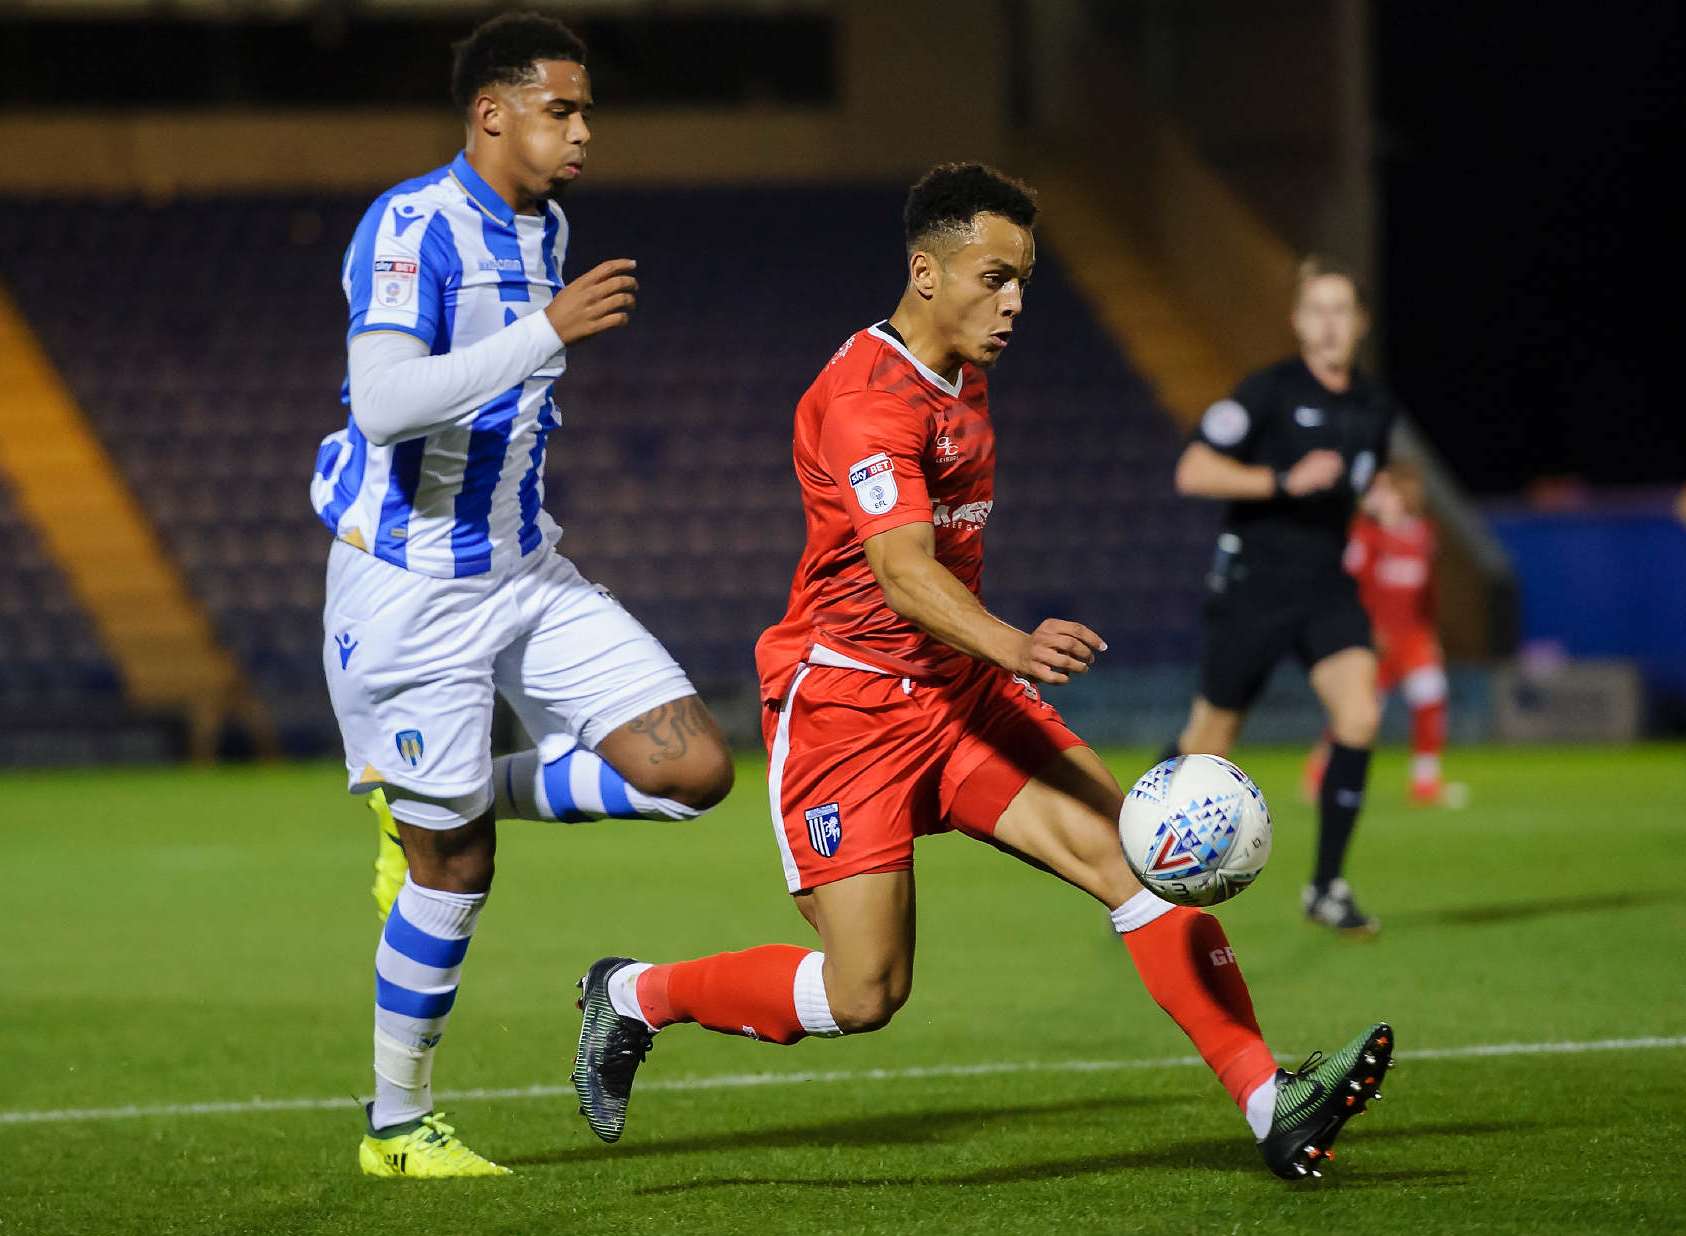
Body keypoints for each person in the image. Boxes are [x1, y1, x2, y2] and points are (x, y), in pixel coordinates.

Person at [569, 166, 1393, 1181]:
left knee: (1138, 857)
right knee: (865, 992)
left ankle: (1274, 1104)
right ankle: (634, 995)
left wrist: (989, 664)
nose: (1013, 304)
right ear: (926, 271)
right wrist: (1014, 642)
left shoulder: (963, 368)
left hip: (959, 698)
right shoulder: (866, 399)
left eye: (1024, 282)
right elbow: (902, 570)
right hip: (846, 710)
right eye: (994, 277)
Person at [310, 12, 734, 1179]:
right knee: (458, 872)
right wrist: (547, 328)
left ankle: (426, 797)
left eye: (587, 109)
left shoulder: (548, 227)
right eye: (563, 109)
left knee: (693, 770)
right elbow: (385, 403)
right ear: (492, 113)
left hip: (524, 568)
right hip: (407, 586)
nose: (583, 130)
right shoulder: (410, 225)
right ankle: (397, 1127)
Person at [1163, 257, 1397, 935]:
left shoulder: (1374, 407)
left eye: (1340, 311)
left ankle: (1326, 887)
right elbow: (1193, 470)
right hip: (1255, 585)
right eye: (1316, 311)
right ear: (1298, 322)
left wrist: (1374, 499)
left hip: (1325, 585)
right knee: (1209, 744)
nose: (1328, 324)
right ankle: (1147, 869)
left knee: (1359, 715)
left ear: (1360, 324)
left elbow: (1358, 480)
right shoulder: (1267, 391)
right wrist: (1282, 480)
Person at [1302, 462, 1462, 807]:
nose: (1375, 496)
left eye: (1384, 489)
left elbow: (1427, 592)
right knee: (1360, 713)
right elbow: (1350, 588)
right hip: (1373, 639)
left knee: (1431, 695)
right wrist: (1360, 629)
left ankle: (1425, 782)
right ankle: (1319, 773)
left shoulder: (1424, 534)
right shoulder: (1364, 535)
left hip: (1413, 637)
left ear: (1403, 494)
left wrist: (1431, 631)